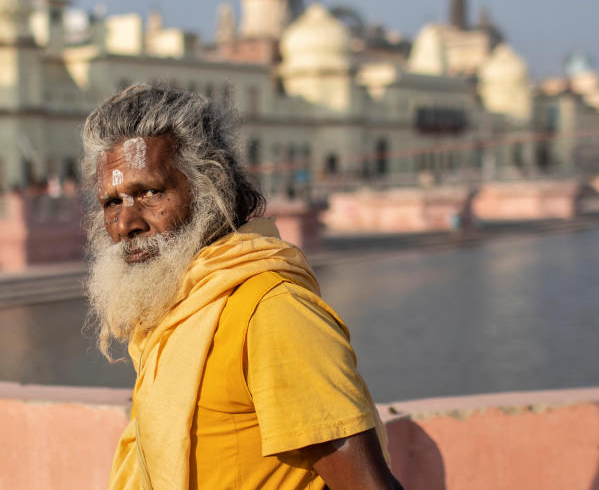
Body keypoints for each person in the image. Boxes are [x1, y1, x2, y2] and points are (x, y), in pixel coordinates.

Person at [81, 85, 402, 490]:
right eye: (113, 202)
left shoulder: (271, 311)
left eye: (150, 192)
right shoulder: (175, 314)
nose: (127, 224)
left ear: (208, 189)